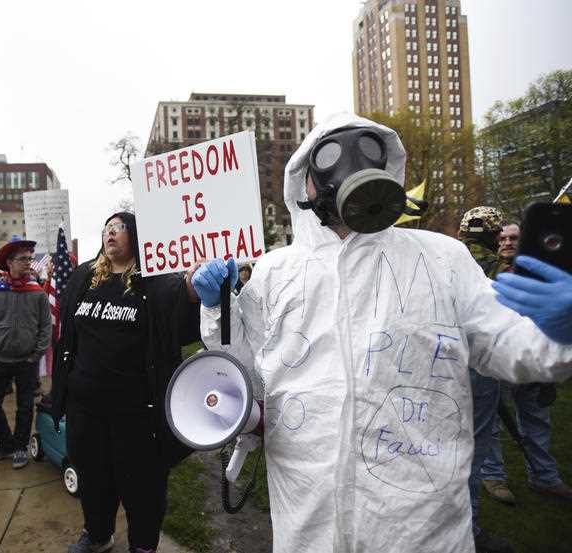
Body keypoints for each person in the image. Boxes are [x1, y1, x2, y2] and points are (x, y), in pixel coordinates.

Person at [191, 112, 572, 553]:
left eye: (367, 152)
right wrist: (217, 307)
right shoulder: (278, 270)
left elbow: (511, 347)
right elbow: (243, 371)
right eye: (330, 158)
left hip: (418, 526)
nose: (349, 169)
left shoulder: (442, 259)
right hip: (307, 518)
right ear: (305, 184)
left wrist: (560, 332)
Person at [52, 212, 200, 553]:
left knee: (142, 488)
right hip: (85, 408)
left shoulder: (155, 281)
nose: (110, 234)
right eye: (106, 228)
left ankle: (144, 545)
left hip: (136, 414)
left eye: (118, 228)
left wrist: (192, 291)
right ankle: (99, 534)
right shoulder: (84, 277)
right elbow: (69, 338)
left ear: (135, 235)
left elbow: (184, 329)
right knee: (93, 479)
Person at [480, 221, 572, 505]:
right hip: (499, 362)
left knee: (536, 421)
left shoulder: (545, 273)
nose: (507, 242)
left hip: (538, 358)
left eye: (514, 238)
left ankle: (545, 477)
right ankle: (494, 476)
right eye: (502, 238)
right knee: (492, 423)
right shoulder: (483, 273)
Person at [457, 206, 512, 553]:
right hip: (479, 365)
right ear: (494, 236)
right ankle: (470, 530)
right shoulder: (497, 270)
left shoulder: (444, 259)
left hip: (441, 363)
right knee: (473, 450)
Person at [0, 239, 51, 469]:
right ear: (9, 262)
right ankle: (5, 444)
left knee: (25, 406)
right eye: (23, 259)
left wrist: (36, 354)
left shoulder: (37, 292)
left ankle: (20, 447)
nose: (29, 263)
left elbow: (45, 326)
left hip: (27, 361)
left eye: (30, 258)